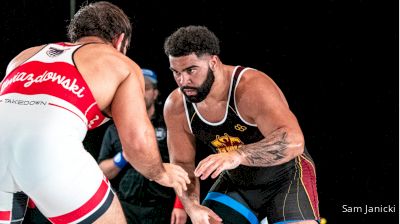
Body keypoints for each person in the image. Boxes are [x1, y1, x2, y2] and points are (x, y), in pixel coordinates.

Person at [0, 2, 190, 223]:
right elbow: (137, 142)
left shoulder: (24, 56)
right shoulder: (119, 63)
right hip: (47, 154)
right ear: (120, 41)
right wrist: (160, 173)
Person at [163, 25, 320, 224]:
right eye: (176, 72)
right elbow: (183, 165)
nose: (183, 81)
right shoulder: (176, 105)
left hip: (286, 177)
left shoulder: (250, 87)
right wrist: (192, 206)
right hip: (238, 182)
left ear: (213, 62)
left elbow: (294, 141)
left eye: (191, 70)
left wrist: (239, 154)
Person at [98, 68, 188, 224]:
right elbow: (102, 171)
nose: (140, 92)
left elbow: (184, 165)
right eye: (136, 88)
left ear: (155, 93)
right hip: (125, 206)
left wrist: (181, 205)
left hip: (161, 208)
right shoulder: (115, 128)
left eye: (145, 87)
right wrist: (124, 156)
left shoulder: (169, 125)